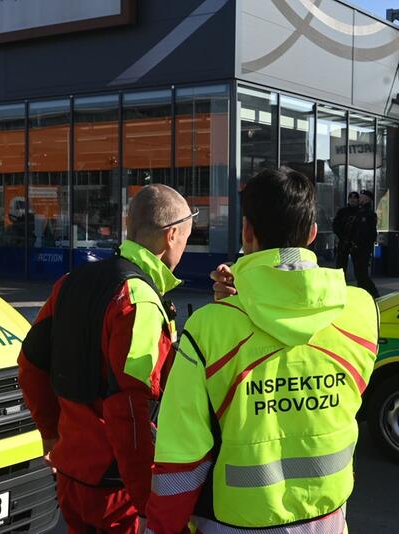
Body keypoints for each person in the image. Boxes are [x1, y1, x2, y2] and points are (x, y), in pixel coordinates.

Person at [145, 168, 379, 534]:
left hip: (234, 522)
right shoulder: (362, 311)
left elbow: (181, 459)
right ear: (313, 233)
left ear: (246, 231)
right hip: (328, 519)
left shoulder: (209, 328)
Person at [18, 184, 195, 534]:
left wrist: (52, 434)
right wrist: (146, 503)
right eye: (188, 237)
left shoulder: (71, 282)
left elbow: (31, 365)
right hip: (118, 489)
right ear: (172, 235)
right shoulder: (138, 300)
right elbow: (129, 409)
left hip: (74, 476)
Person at [332, 190, 379, 298]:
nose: (354, 200)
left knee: (361, 273)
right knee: (342, 269)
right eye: (351, 198)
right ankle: (340, 291)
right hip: (346, 243)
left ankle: (372, 294)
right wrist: (343, 237)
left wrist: (361, 244)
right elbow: (336, 225)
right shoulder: (344, 212)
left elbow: (369, 233)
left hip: (359, 247)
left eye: (357, 198)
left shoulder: (366, 213)